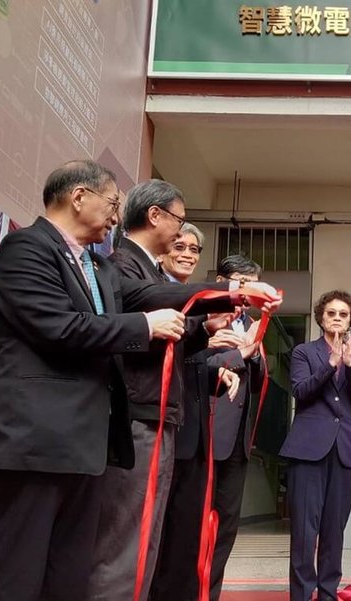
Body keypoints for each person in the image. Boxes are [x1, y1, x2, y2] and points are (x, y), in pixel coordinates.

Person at [0, 160, 277, 601]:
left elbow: (154, 293)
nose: (117, 217)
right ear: (79, 197)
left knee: (67, 574)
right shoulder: (26, 248)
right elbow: (58, 327)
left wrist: (233, 294)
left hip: (84, 444)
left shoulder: (98, 268)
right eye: (112, 204)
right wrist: (144, 327)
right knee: (16, 571)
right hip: (32, 439)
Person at [87, 181, 279, 601]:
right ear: (155, 216)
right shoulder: (120, 266)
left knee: (158, 541)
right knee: (128, 542)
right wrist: (232, 293)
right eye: (180, 224)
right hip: (139, 416)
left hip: (170, 422)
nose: (184, 241)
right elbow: (149, 298)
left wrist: (202, 331)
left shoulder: (148, 270)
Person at [150, 248, 262, 601]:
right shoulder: (200, 315)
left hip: (237, 441)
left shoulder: (253, 325)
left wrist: (255, 355)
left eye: (254, 285)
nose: (248, 293)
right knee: (187, 525)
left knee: (225, 528)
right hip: (201, 434)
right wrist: (233, 352)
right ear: (222, 282)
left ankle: (209, 594)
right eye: (242, 284)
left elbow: (257, 381)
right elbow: (189, 363)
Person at [279, 290, 351, 601]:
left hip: (345, 450)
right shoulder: (304, 352)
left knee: (335, 530)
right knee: (305, 532)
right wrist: (329, 364)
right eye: (331, 313)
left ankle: (329, 593)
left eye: (343, 314)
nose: (336, 318)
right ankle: (302, 595)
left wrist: (349, 366)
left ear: (350, 322)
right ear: (321, 318)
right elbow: (300, 391)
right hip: (308, 450)